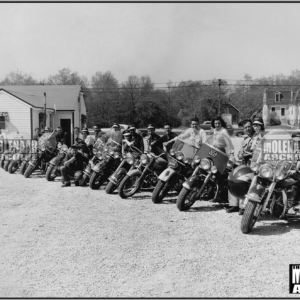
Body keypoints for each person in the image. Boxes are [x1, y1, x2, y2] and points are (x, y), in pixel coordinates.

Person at [226, 119, 255, 214]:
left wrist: (250, 154)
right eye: (245, 127)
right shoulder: (244, 140)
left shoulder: (257, 138)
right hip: (244, 163)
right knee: (232, 176)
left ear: (252, 126)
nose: (247, 129)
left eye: (249, 126)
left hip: (253, 165)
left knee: (245, 182)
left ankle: (243, 206)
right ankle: (233, 205)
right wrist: (240, 155)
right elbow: (240, 153)